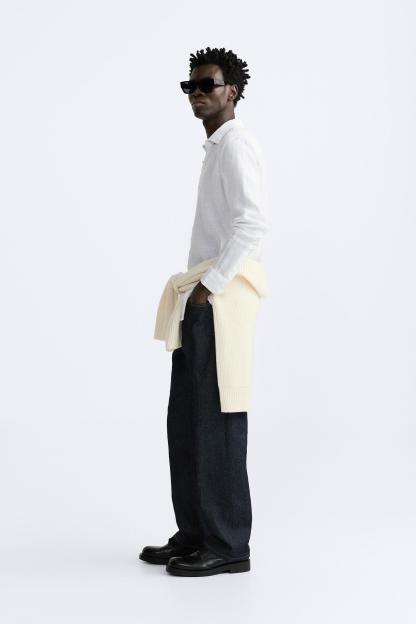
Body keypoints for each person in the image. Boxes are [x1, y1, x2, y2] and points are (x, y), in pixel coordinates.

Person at [139, 46, 270, 577]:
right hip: (204, 295)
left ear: (232, 90)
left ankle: (228, 543)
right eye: (190, 86)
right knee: (187, 421)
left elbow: (252, 224)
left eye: (207, 84)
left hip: (220, 298)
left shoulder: (235, 145)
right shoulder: (216, 147)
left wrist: (208, 289)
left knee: (217, 420)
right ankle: (195, 533)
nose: (197, 93)